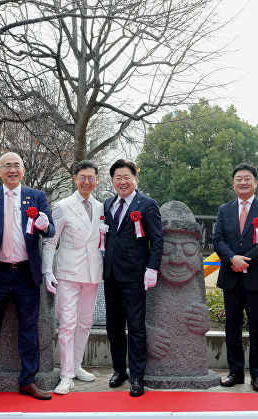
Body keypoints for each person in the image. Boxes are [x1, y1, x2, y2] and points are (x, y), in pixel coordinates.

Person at [0, 152, 55, 403]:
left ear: (23, 170)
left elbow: (51, 230)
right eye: (7, 165)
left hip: (27, 274)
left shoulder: (36, 196)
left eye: (17, 165)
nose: (12, 169)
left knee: (29, 329)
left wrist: (44, 225)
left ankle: (28, 381)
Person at [212, 162, 258, 392]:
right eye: (238, 178)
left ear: (255, 183)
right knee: (232, 327)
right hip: (231, 276)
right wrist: (233, 259)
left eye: (247, 178)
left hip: (256, 276)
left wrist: (245, 260)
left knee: (257, 327)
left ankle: (257, 375)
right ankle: (235, 372)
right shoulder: (224, 209)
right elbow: (217, 239)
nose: (243, 182)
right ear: (233, 184)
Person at [41, 160, 104, 395]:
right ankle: (66, 375)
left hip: (92, 273)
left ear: (96, 180)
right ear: (75, 179)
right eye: (82, 177)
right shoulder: (63, 206)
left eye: (91, 177)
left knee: (85, 323)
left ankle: (76, 366)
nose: (87, 181)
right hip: (67, 273)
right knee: (67, 324)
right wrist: (48, 271)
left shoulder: (100, 207)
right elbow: (50, 242)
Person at [103, 159, 163, 397]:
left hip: (136, 275)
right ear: (112, 181)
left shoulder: (147, 204)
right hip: (110, 275)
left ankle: (138, 377)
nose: (122, 181)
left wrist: (152, 269)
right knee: (114, 326)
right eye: (118, 177)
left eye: (127, 176)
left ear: (135, 178)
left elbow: (157, 240)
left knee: (136, 327)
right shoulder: (108, 203)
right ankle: (119, 370)